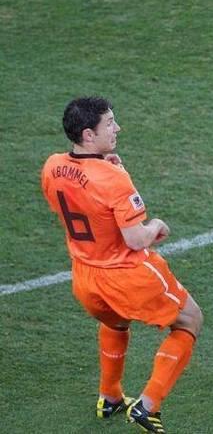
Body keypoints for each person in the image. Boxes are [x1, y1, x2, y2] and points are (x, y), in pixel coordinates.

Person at [41, 97, 203, 432]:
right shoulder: (113, 179)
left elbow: (81, 197)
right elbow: (136, 239)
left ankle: (110, 396)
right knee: (190, 320)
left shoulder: (52, 166)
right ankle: (148, 406)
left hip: (85, 278)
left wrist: (106, 168)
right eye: (110, 123)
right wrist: (156, 226)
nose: (118, 128)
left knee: (115, 324)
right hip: (127, 275)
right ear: (89, 135)